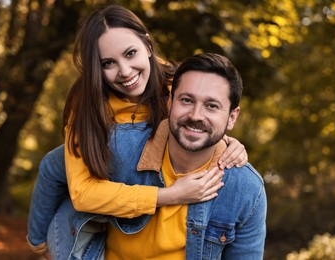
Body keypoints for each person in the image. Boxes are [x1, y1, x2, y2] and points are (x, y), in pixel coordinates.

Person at [27, 5, 248, 258]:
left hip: (135, 174)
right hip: (100, 167)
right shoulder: (86, 104)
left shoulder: (173, 83)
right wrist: (169, 195)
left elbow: (199, 119)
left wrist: (229, 142)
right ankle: (35, 241)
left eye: (131, 53)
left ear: (148, 46)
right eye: (108, 63)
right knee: (53, 164)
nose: (125, 71)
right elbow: (83, 193)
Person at [47, 53, 267, 259]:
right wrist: (43, 240)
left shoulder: (246, 190)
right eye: (187, 100)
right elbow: (60, 179)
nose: (195, 115)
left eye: (211, 106)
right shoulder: (118, 148)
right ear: (170, 102)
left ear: (231, 117)